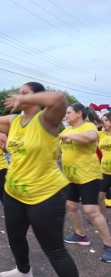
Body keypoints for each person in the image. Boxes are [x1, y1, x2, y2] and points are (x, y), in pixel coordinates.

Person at [0, 82, 79, 277]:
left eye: (24, 93)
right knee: (15, 237)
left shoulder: (47, 118)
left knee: (54, 250)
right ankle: (23, 271)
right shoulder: (14, 121)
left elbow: (58, 99)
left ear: (38, 97)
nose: (18, 95)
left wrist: (24, 99)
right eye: (19, 93)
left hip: (45, 194)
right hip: (14, 192)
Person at [60, 103, 111, 262]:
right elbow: (56, 150)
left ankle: (109, 245)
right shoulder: (66, 130)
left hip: (88, 175)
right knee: (71, 206)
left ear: (79, 113)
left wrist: (68, 136)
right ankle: (80, 235)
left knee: (91, 210)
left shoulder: (88, 126)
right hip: (70, 176)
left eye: (68, 113)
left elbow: (91, 137)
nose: (66, 115)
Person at [99, 112, 111, 221]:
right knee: (99, 197)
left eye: (106, 120)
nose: (104, 123)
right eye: (103, 120)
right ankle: (102, 219)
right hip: (105, 171)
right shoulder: (102, 134)